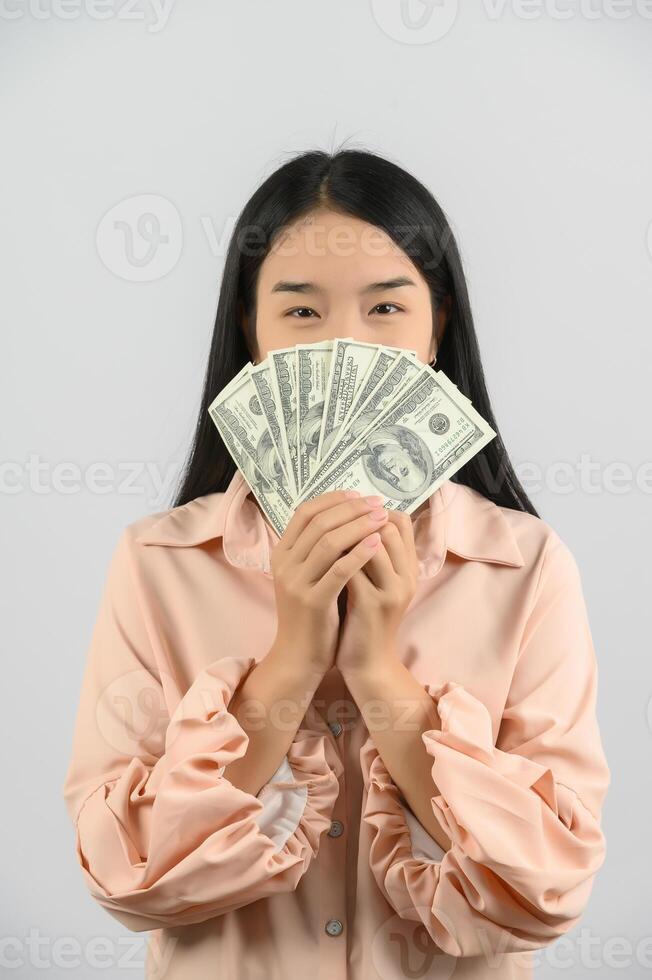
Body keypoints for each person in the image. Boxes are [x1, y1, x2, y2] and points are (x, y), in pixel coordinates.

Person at [62, 147, 610, 979]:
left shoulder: (525, 567)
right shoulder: (157, 564)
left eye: (386, 307)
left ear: (438, 329)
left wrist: (380, 675)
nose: (347, 346)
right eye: (303, 314)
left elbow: (542, 892)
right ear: (252, 333)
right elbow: (126, 874)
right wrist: (289, 664)